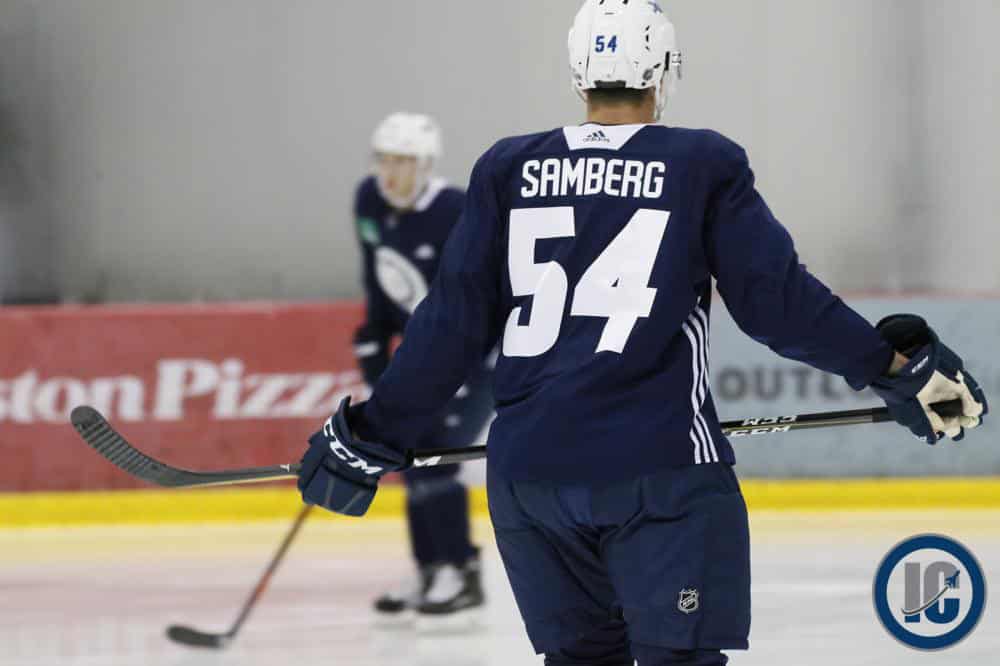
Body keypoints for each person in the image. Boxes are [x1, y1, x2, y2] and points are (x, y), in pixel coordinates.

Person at [299, 2, 988, 663]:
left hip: (530, 482)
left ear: (578, 73)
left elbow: (451, 325)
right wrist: (891, 367)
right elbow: (776, 305)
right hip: (660, 474)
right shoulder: (701, 164)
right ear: (664, 71)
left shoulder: (506, 168)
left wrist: (371, 434)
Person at [350, 112, 494, 621]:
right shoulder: (369, 202)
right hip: (418, 355)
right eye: (385, 161)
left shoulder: (455, 210)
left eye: (404, 162)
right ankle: (431, 568)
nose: (391, 174)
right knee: (406, 456)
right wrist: (373, 341)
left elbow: (479, 295)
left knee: (439, 454)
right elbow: (379, 278)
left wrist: (455, 369)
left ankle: (461, 570)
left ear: (426, 165)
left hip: (476, 356)